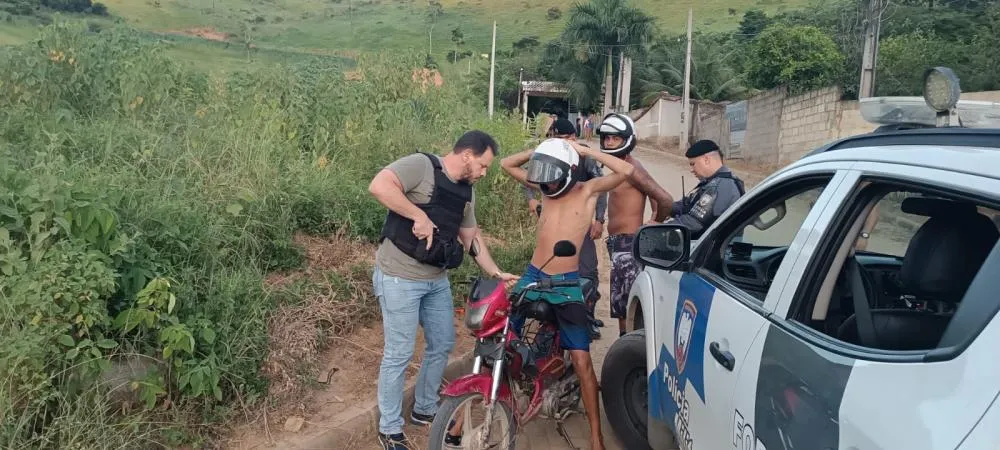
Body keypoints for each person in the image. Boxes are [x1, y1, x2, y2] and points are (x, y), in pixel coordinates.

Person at [367, 130, 520, 450]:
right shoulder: (421, 166)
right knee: (399, 352)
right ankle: (390, 428)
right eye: (483, 165)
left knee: (442, 343)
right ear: (467, 155)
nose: (484, 172)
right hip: (399, 277)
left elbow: (471, 238)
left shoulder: (466, 191)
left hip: (436, 279)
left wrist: (495, 272)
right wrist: (417, 214)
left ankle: (424, 408)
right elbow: (379, 185)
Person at [501, 137, 635, 450]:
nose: (547, 182)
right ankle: (496, 398)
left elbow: (626, 172)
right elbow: (507, 164)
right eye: (544, 175)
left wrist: (585, 151)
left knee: (582, 359)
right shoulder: (545, 189)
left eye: (552, 175)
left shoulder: (588, 190)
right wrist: (543, 149)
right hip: (533, 275)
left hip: (566, 282)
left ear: (569, 171)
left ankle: (595, 437)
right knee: (503, 336)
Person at [522, 118, 607, 338]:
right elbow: (531, 175)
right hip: (553, 217)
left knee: (587, 272)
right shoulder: (549, 154)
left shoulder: (585, 159)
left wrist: (599, 219)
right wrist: (531, 198)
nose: (559, 142)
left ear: (573, 138)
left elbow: (601, 188)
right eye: (555, 137)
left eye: (564, 138)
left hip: (580, 220)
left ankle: (588, 317)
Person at [595, 113, 675, 337]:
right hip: (618, 244)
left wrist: (654, 222)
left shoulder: (632, 168)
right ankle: (626, 343)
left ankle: (630, 345)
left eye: (615, 138)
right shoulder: (620, 167)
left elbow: (663, 199)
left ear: (627, 140)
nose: (610, 142)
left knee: (628, 301)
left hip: (628, 244)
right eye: (607, 138)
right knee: (621, 302)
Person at [666, 139, 745, 240]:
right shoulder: (714, 182)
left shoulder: (722, 185)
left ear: (706, 160)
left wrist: (661, 228)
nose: (692, 170)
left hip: (715, 248)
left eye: (693, 164)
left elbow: (693, 223)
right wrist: (667, 206)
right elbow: (687, 206)